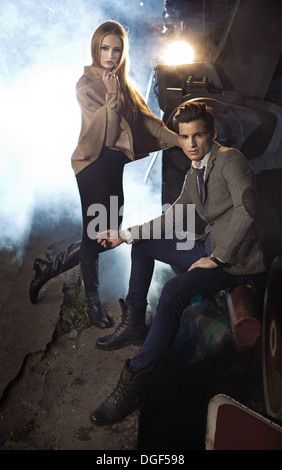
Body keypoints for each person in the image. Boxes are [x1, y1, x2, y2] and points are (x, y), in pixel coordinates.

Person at [89, 100, 266, 425]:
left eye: (198, 136)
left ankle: (136, 378)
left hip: (234, 261)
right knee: (142, 248)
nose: (191, 144)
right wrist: (125, 234)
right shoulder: (194, 171)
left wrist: (217, 258)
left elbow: (247, 209)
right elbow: (173, 217)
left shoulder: (231, 161)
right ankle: (133, 325)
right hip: (208, 249)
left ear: (212, 134)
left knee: (173, 292)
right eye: (184, 137)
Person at [29, 20, 180, 328]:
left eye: (117, 50)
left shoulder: (121, 81)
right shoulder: (86, 85)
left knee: (108, 233)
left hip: (113, 167)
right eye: (105, 48)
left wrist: (181, 140)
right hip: (92, 166)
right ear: (95, 49)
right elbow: (108, 135)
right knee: (93, 234)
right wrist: (111, 95)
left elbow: (148, 121)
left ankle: (48, 269)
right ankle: (92, 304)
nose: (110, 55)